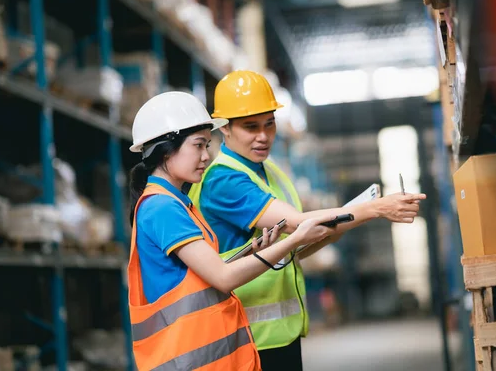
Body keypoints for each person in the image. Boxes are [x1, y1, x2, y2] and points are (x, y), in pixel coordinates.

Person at [189, 70, 427, 370]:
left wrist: (352, 219)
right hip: (246, 336)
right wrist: (376, 209)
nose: (263, 136)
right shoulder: (224, 180)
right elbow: (296, 223)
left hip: (279, 335)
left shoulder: (268, 172)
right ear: (225, 129)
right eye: (251, 127)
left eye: (269, 124)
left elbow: (297, 244)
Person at [126, 91, 338, 371]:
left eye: (207, 146)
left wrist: (255, 249)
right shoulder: (162, 208)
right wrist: (293, 240)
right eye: (199, 146)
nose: (206, 157)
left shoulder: (176, 202)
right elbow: (223, 278)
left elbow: (203, 271)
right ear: (165, 149)